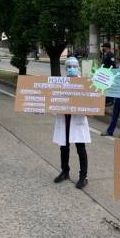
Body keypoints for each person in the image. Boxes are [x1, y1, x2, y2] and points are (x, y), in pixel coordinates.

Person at [52, 57, 91, 189]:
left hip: (77, 120)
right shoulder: (61, 83)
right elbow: (53, 100)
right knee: (64, 147)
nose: (71, 68)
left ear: (78, 67)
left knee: (80, 149)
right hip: (65, 120)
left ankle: (83, 176)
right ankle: (65, 171)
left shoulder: (85, 83)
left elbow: (92, 105)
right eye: (68, 66)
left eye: (74, 66)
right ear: (65, 68)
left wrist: (89, 110)